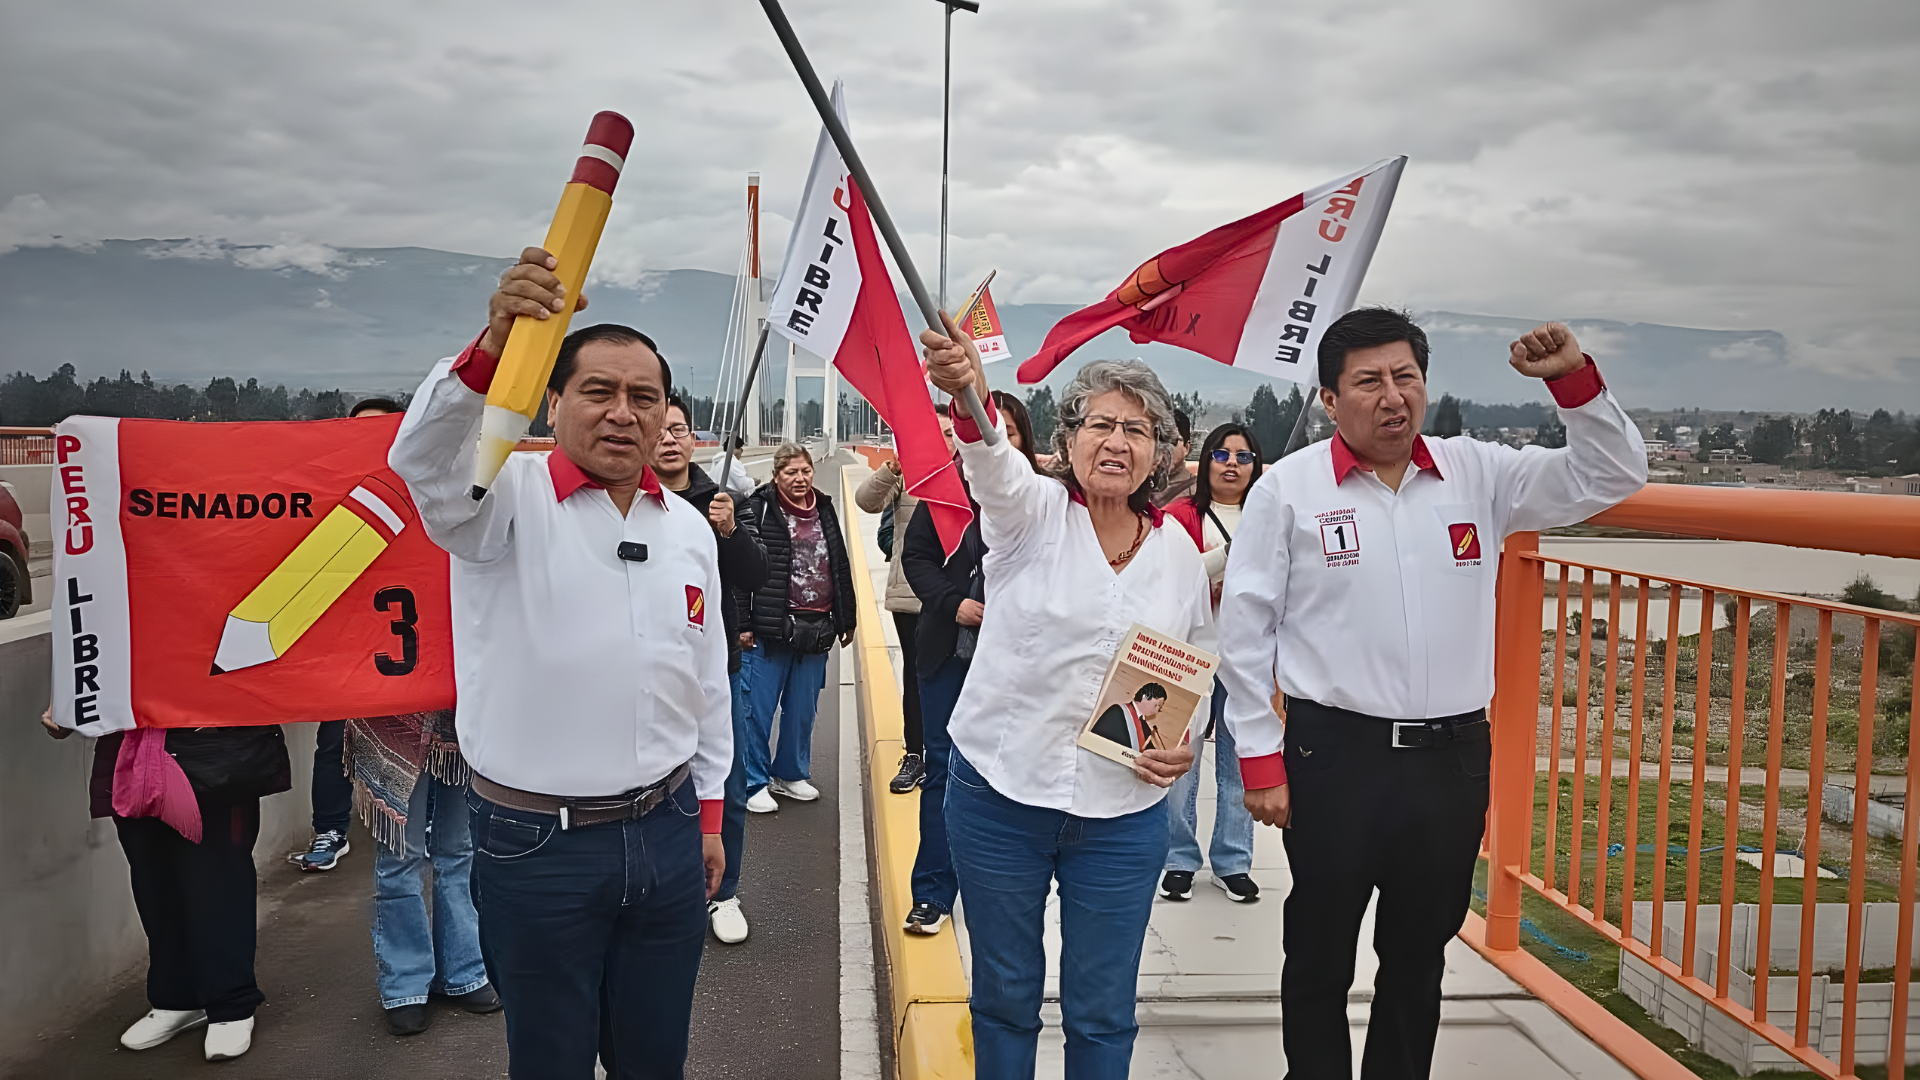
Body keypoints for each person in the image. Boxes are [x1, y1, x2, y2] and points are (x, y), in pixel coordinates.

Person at [1218, 308, 1647, 1079]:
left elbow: (1609, 476)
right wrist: (1259, 758)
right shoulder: (1287, 489)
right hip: (1334, 755)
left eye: (1406, 377)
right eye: (1369, 381)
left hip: (1450, 761)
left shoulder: (1479, 473)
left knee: (1418, 961)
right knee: (1318, 949)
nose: (1393, 397)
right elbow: (1246, 628)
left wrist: (1573, 383)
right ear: (1328, 397)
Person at [389, 247, 731, 1080]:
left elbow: (707, 680)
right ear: (555, 400)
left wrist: (713, 813)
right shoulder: (500, 500)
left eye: (643, 398)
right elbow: (422, 463)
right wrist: (491, 349)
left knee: (656, 1057)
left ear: (666, 415)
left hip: (668, 828)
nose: (623, 413)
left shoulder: (686, 528)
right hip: (536, 844)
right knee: (550, 1058)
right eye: (599, 392)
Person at [920, 320, 1209, 1079]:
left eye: (1137, 429)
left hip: (1120, 820)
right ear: (1069, 440)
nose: (1117, 441)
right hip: (999, 802)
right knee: (1007, 996)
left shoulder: (1179, 554)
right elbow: (990, 459)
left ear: (1161, 453)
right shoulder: (1029, 516)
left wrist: (1187, 741)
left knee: (1103, 1011)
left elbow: (1196, 665)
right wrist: (966, 390)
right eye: (1101, 424)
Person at [43, 710, 289, 1062]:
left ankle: (230, 1001)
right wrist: (69, 699)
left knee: (219, 874)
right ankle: (178, 996)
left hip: (212, 739)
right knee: (153, 876)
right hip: (130, 743)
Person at [653, 394, 770, 946]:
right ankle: (670, 887)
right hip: (647, 671)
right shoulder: (620, 499)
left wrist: (728, 530)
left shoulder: (721, 497)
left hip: (713, 666)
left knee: (725, 782)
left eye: (681, 429)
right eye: (663, 428)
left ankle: (724, 892)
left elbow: (757, 573)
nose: (670, 438)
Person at [292, 394, 403, 871]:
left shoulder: (419, 487)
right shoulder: (327, 491)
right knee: (335, 740)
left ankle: (414, 829)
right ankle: (330, 830)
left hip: (406, 645)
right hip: (347, 642)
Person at [1160, 422, 1264, 904]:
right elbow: (1175, 575)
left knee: (1239, 763)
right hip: (1189, 655)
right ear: (1206, 462)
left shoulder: (1268, 516)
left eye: (1243, 457)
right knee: (1182, 760)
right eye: (1221, 455)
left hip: (1246, 658)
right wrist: (1226, 557)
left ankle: (1233, 860)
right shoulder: (1181, 515)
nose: (1231, 465)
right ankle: (1178, 858)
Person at [345, 709, 498, 1034]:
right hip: (391, 708)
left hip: (464, 713)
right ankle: (405, 983)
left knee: (460, 848)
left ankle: (465, 968)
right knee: (400, 855)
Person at [736, 444, 856, 815]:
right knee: (757, 709)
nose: (801, 479)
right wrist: (742, 623)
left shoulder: (824, 507)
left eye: (805, 471)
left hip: (816, 626)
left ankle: (791, 773)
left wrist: (846, 618)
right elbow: (740, 570)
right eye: (791, 473)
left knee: (803, 708)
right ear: (776, 476)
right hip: (770, 626)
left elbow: (839, 563)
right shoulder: (758, 509)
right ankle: (753, 781)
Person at [854, 407, 958, 795]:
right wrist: (893, 468)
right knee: (917, 678)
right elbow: (865, 500)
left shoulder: (971, 478)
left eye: (950, 433)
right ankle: (915, 754)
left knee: (958, 678)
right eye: (937, 433)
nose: (944, 440)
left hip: (961, 599)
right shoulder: (908, 475)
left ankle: (949, 756)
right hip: (913, 598)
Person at [1088, 684, 1170, 752]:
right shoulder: (1117, 711)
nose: (1156, 711)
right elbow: (1094, 740)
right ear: (1145, 697)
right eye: (1156, 705)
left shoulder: (1147, 729)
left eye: (1159, 709)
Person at [1151, 408, 1196, 508]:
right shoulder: (1138, 486)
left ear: (1186, 448)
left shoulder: (1197, 491)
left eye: (1172, 440)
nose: (1164, 447)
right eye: (1159, 439)